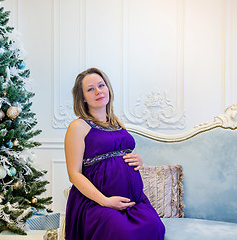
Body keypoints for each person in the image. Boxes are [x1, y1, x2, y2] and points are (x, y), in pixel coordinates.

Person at [64, 68, 165, 240]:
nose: (98, 91)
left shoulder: (117, 123)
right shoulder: (78, 126)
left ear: (108, 88)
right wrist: (105, 201)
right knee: (120, 232)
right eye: (90, 89)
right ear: (82, 97)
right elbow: (74, 174)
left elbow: (121, 155)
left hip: (133, 202)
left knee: (156, 227)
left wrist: (138, 159)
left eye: (101, 85)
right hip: (96, 203)